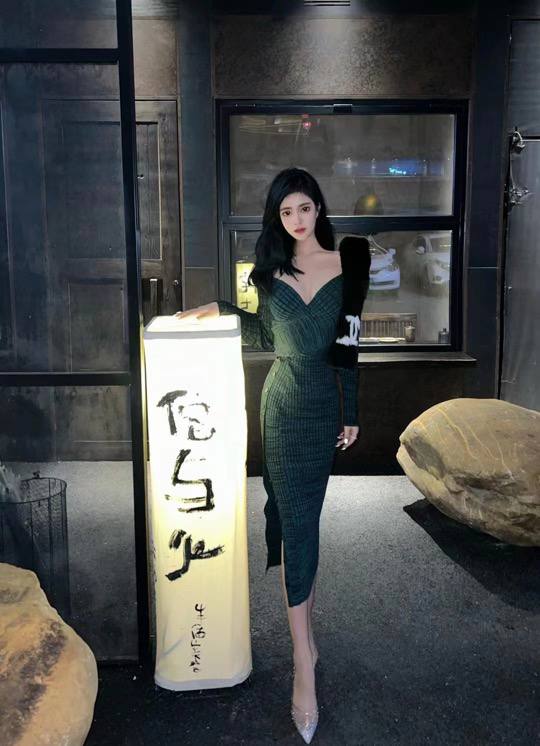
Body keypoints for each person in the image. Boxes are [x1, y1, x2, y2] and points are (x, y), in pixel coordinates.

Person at [175, 167, 369, 743]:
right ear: (277, 218)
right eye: (286, 212)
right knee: (293, 525)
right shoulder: (267, 272)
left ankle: (305, 642)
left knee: (305, 525)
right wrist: (219, 308)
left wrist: (353, 411)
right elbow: (266, 336)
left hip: (323, 407)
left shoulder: (348, 263)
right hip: (281, 408)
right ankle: (303, 661)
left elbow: (349, 345)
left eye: (304, 208)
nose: (297, 220)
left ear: (319, 209)